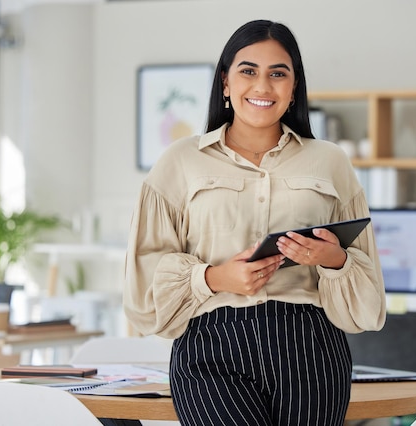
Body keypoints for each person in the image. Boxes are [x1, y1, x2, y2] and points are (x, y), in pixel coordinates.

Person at [124, 19, 386, 426]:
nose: (263, 87)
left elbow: (368, 300)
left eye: (277, 74)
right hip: (210, 345)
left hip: (311, 348)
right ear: (226, 82)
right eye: (248, 71)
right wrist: (213, 278)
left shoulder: (330, 161)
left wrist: (333, 259)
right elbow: (143, 284)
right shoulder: (179, 161)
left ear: (293, 87)